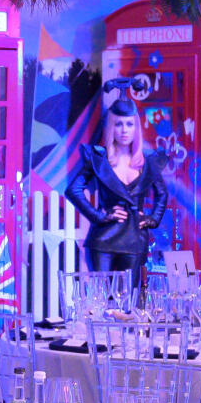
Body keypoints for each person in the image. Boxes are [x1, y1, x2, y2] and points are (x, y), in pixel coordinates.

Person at [65, 97, 167, 293]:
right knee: (102, 301)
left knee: (127, 302)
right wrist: (98, 216)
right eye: (118, 124)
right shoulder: (99, 158)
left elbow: (162, 195)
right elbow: (73, 190)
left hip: (135, 238)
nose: (124, 130)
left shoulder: (147, 161)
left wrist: (152, 219)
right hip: (103, 239)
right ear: (111, 127)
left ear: (136, 127)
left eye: (129, 124)